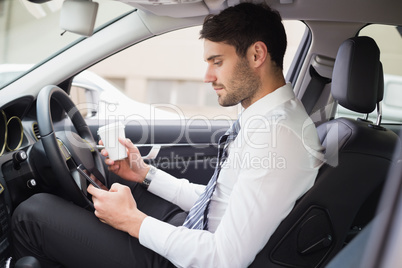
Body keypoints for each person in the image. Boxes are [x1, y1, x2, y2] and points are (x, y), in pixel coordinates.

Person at [11, 3, 323, 267]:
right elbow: (217, 201)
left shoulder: (277, 137)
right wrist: (145, 174)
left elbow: (224, 258)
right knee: (114, 177)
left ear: (257, 56)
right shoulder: (266, 117)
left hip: (192, 257)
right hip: (194, 230)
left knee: (32, 215)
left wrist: (132, 221)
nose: (207, 76)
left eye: (218, 61)